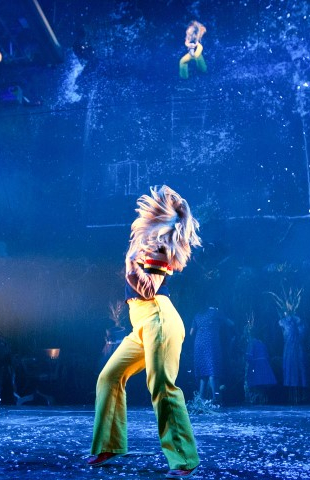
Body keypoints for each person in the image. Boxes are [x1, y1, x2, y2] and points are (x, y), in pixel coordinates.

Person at [87, 185, 202, 479]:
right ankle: (109, 444)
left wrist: (129, 265)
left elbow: (148, 290)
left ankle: (184, 458)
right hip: (141, 324)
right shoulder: (147, 244)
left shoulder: (161, 250)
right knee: (109, 376)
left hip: (158, 319)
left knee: (162, 386)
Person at [190, 306, 233, 403]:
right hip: (211, 342)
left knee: (203, 374)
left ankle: (201, 401)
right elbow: (230, 323)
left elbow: (191, 332)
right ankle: (216, 400)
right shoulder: (215, 312)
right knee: (212, 371)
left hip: (199, 344)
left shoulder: (197, 314)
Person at [279, 313, 307, 403]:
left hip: (294, 351)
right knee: (293, 373)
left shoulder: (295, 325)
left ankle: (296, 398)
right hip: (292, 351)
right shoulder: (296, 326)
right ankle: (295, 398)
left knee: (295, 373)